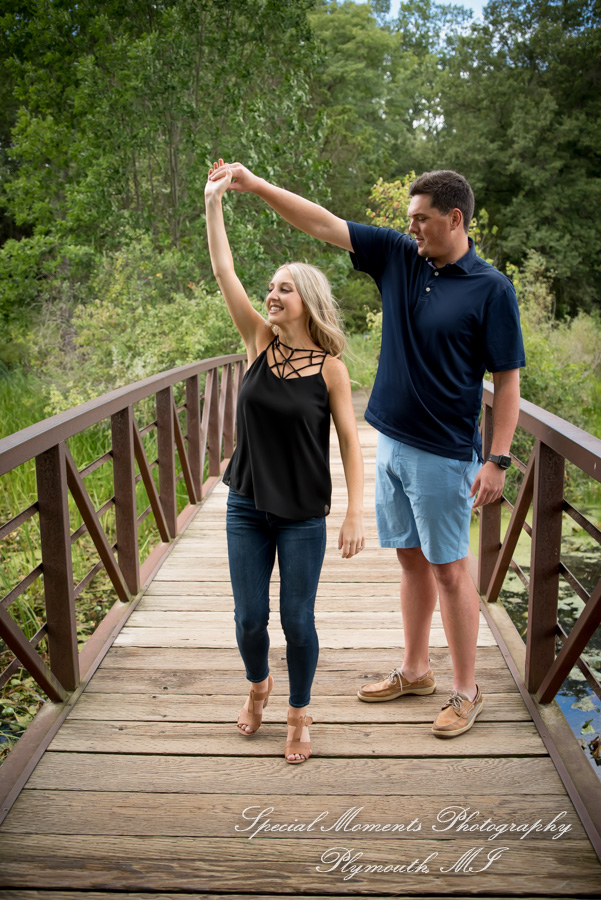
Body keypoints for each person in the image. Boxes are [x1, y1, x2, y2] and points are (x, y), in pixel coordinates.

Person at [207, 162, 525, 738]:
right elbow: (322, 224)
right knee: (409, 559)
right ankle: (414, 670)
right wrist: (254, 187)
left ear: (454, 219)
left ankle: (467, 690)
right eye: (409, 220)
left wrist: (496, 458)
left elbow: (506, 381)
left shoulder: (491, 289)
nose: (413, 229)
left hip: (446, 451)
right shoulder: (401, 258)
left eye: (421, 220)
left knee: (450, 571)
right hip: (393, 444)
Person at [204, 160, 365, 763]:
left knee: (297, 621)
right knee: (249, 620)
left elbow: (350, 442)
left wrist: (354, 512)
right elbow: (224, 269)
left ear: (308, 301)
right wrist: (213, 202)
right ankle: (258, 687)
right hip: (245, 503)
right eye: (269, 287)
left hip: (301, 514)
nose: (271, 295)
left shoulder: (331, 370)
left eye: (283, 288)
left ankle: (298, 711)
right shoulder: (257, 342)